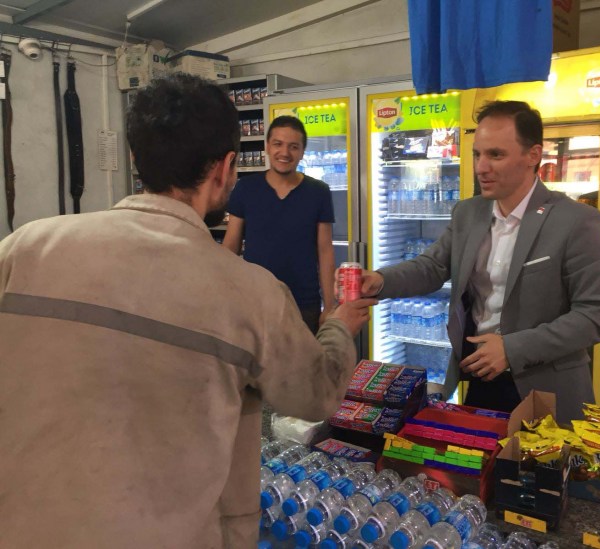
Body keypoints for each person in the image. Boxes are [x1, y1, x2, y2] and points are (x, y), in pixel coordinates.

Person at [0, 74, 375, 549]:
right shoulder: (250, 293)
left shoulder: (26, 247)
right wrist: (339, 325)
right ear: (226, 168)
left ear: (135, 157)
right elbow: (315, 396)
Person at [361, 100, 600, 423]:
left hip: (546, 387)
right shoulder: (468, 213)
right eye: (477, 154)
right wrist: (379, 281)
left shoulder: (576, 221)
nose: (481, 167)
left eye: (496, 155)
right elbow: (432, 267)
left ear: (533, 155)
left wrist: (512, 348)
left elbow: (599, 313)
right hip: (479, 377)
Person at [223, 115, 335, 334]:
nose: (285, 153)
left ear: (302, 152)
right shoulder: (245, 188)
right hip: (255, 302)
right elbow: (230, 247)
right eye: (278, 144)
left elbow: (325, 252)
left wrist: (330, 306)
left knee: (305, 358)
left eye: (293, 146)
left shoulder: (318, 192)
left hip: (304, 304)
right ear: (267, 146)